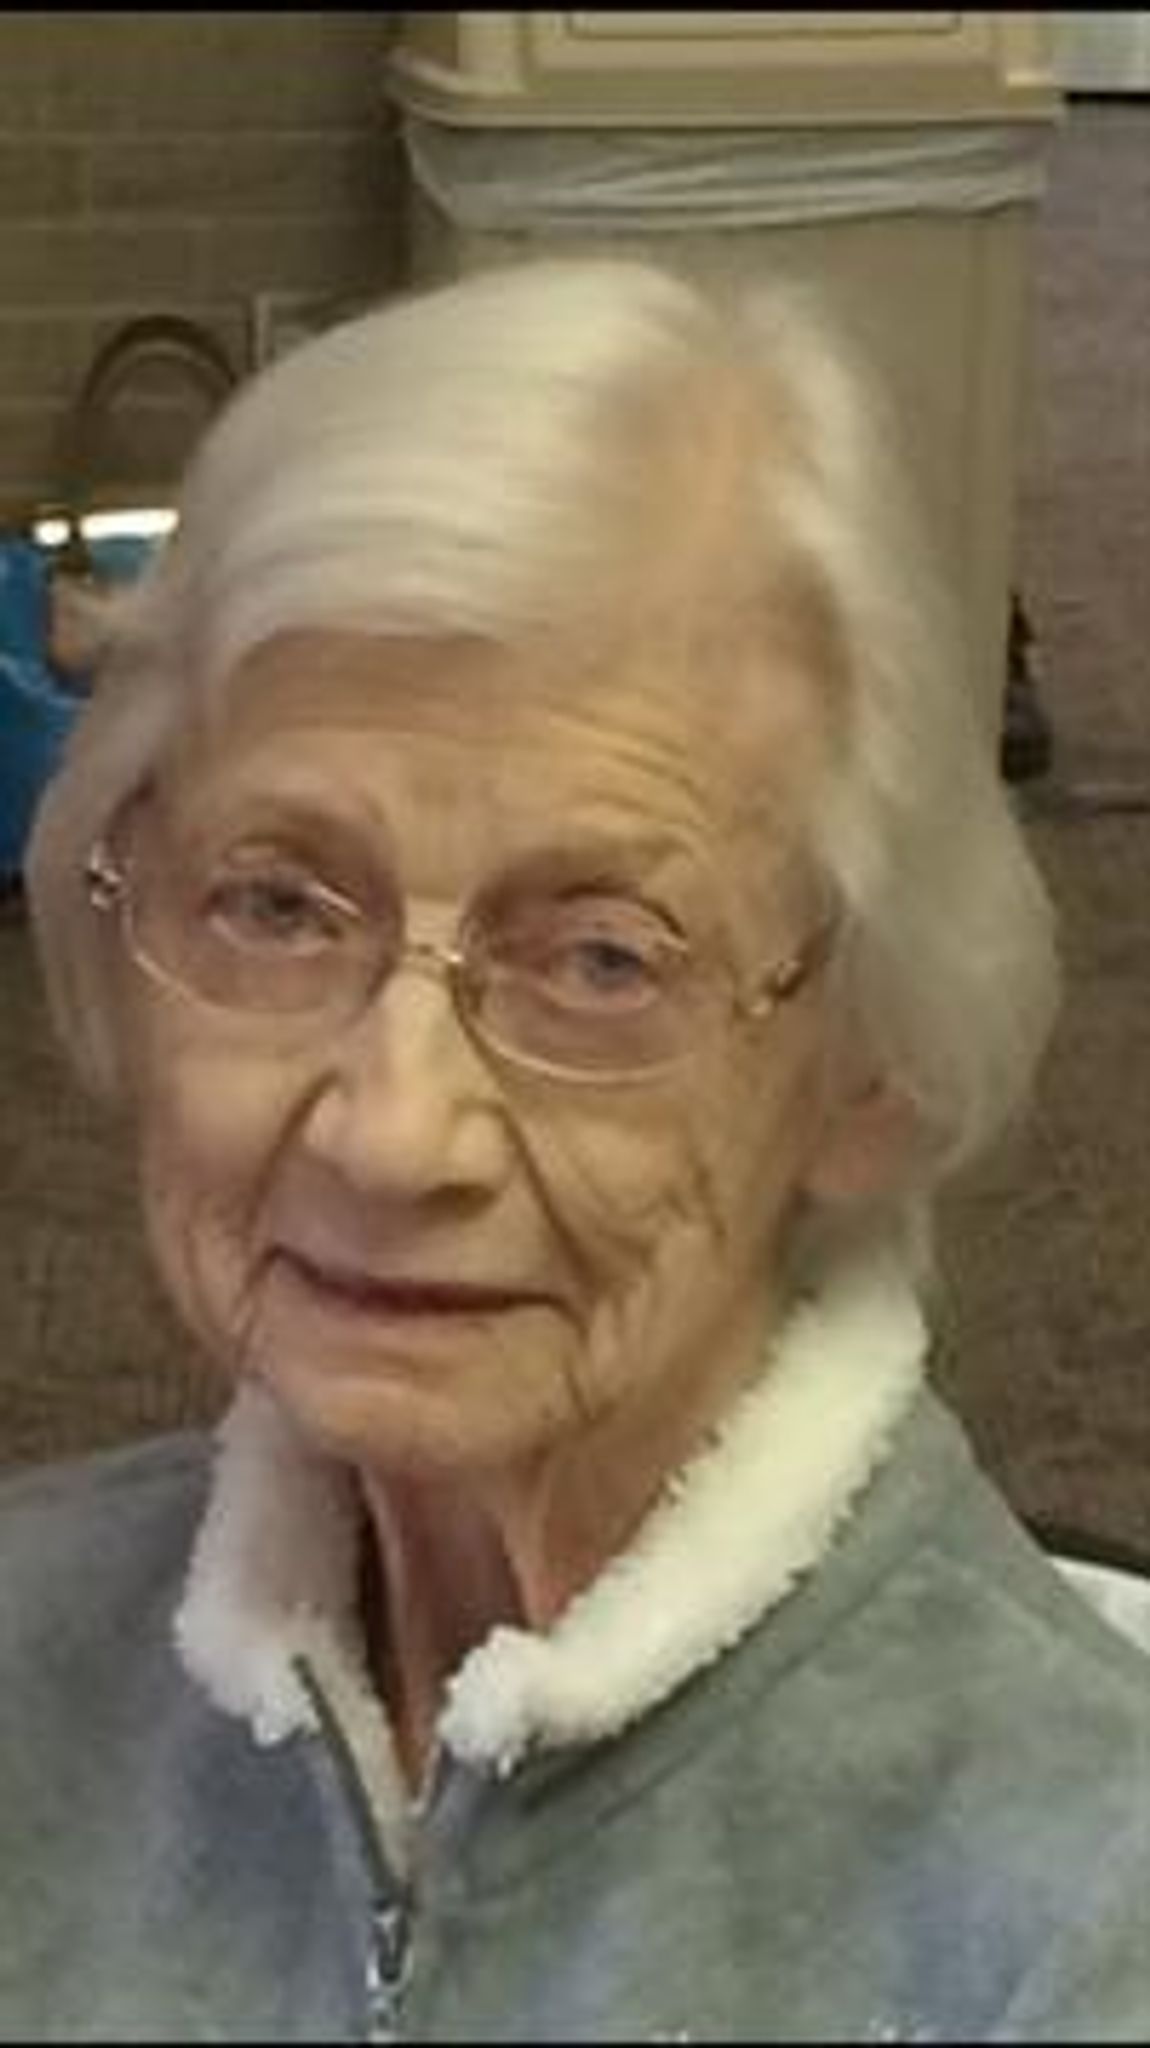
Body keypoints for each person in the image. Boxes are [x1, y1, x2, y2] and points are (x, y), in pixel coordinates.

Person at [2, 254, 1147, 2043]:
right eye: (279, 904)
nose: (394, 1133)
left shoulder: (1073, 1914)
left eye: (604, 959)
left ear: (868, 1059)